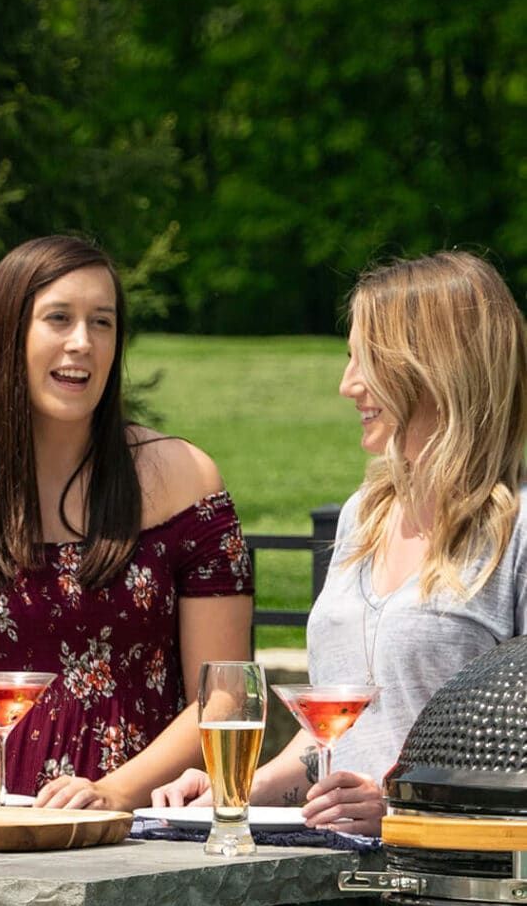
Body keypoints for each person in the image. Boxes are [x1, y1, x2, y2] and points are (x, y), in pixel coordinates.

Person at [0, 235, 255, 810]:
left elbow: (223, 695)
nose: (83, 342)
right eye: (59, 319)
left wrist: (113, 793)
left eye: (102, 322)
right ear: (8, 336)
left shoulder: (183, 480)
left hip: (131, 821)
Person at [155, 253, 527, 836]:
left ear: (438, 369)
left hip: (461, 900)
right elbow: (334, 735)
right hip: (336, 885)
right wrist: (240, 789)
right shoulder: (365, 515)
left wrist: (402, 807)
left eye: (366, 360)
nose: (347, 383)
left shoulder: (518, 530)